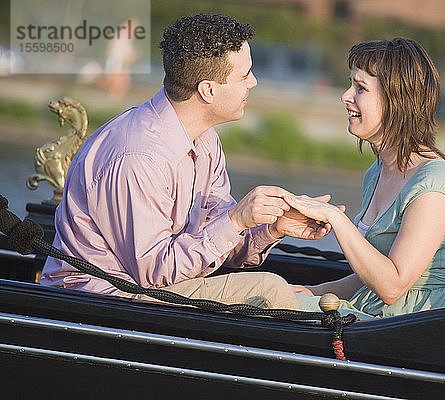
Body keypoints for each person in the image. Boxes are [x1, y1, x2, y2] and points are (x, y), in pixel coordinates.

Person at [40, 14, 332, 310]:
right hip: (97, 300)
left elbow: (217, 244)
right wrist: (235, 220)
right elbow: (154, 274)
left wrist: (272, 227)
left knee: (278, 289)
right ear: (208, 90)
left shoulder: (205, 140)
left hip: (143, 289)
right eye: (245, 75)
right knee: (267, 289)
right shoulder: (140, 157)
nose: (254, 83)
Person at [286, 38, 445, 318]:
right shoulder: (376, 172)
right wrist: (312, 291)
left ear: (397, 101)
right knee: (274, 295)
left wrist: (336, 219)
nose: (345, 96)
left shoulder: (436, 183)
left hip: (422, 324)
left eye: (360, 88)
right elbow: (370, 276)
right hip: (376, 311)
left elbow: (392, 286)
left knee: (270, 302)